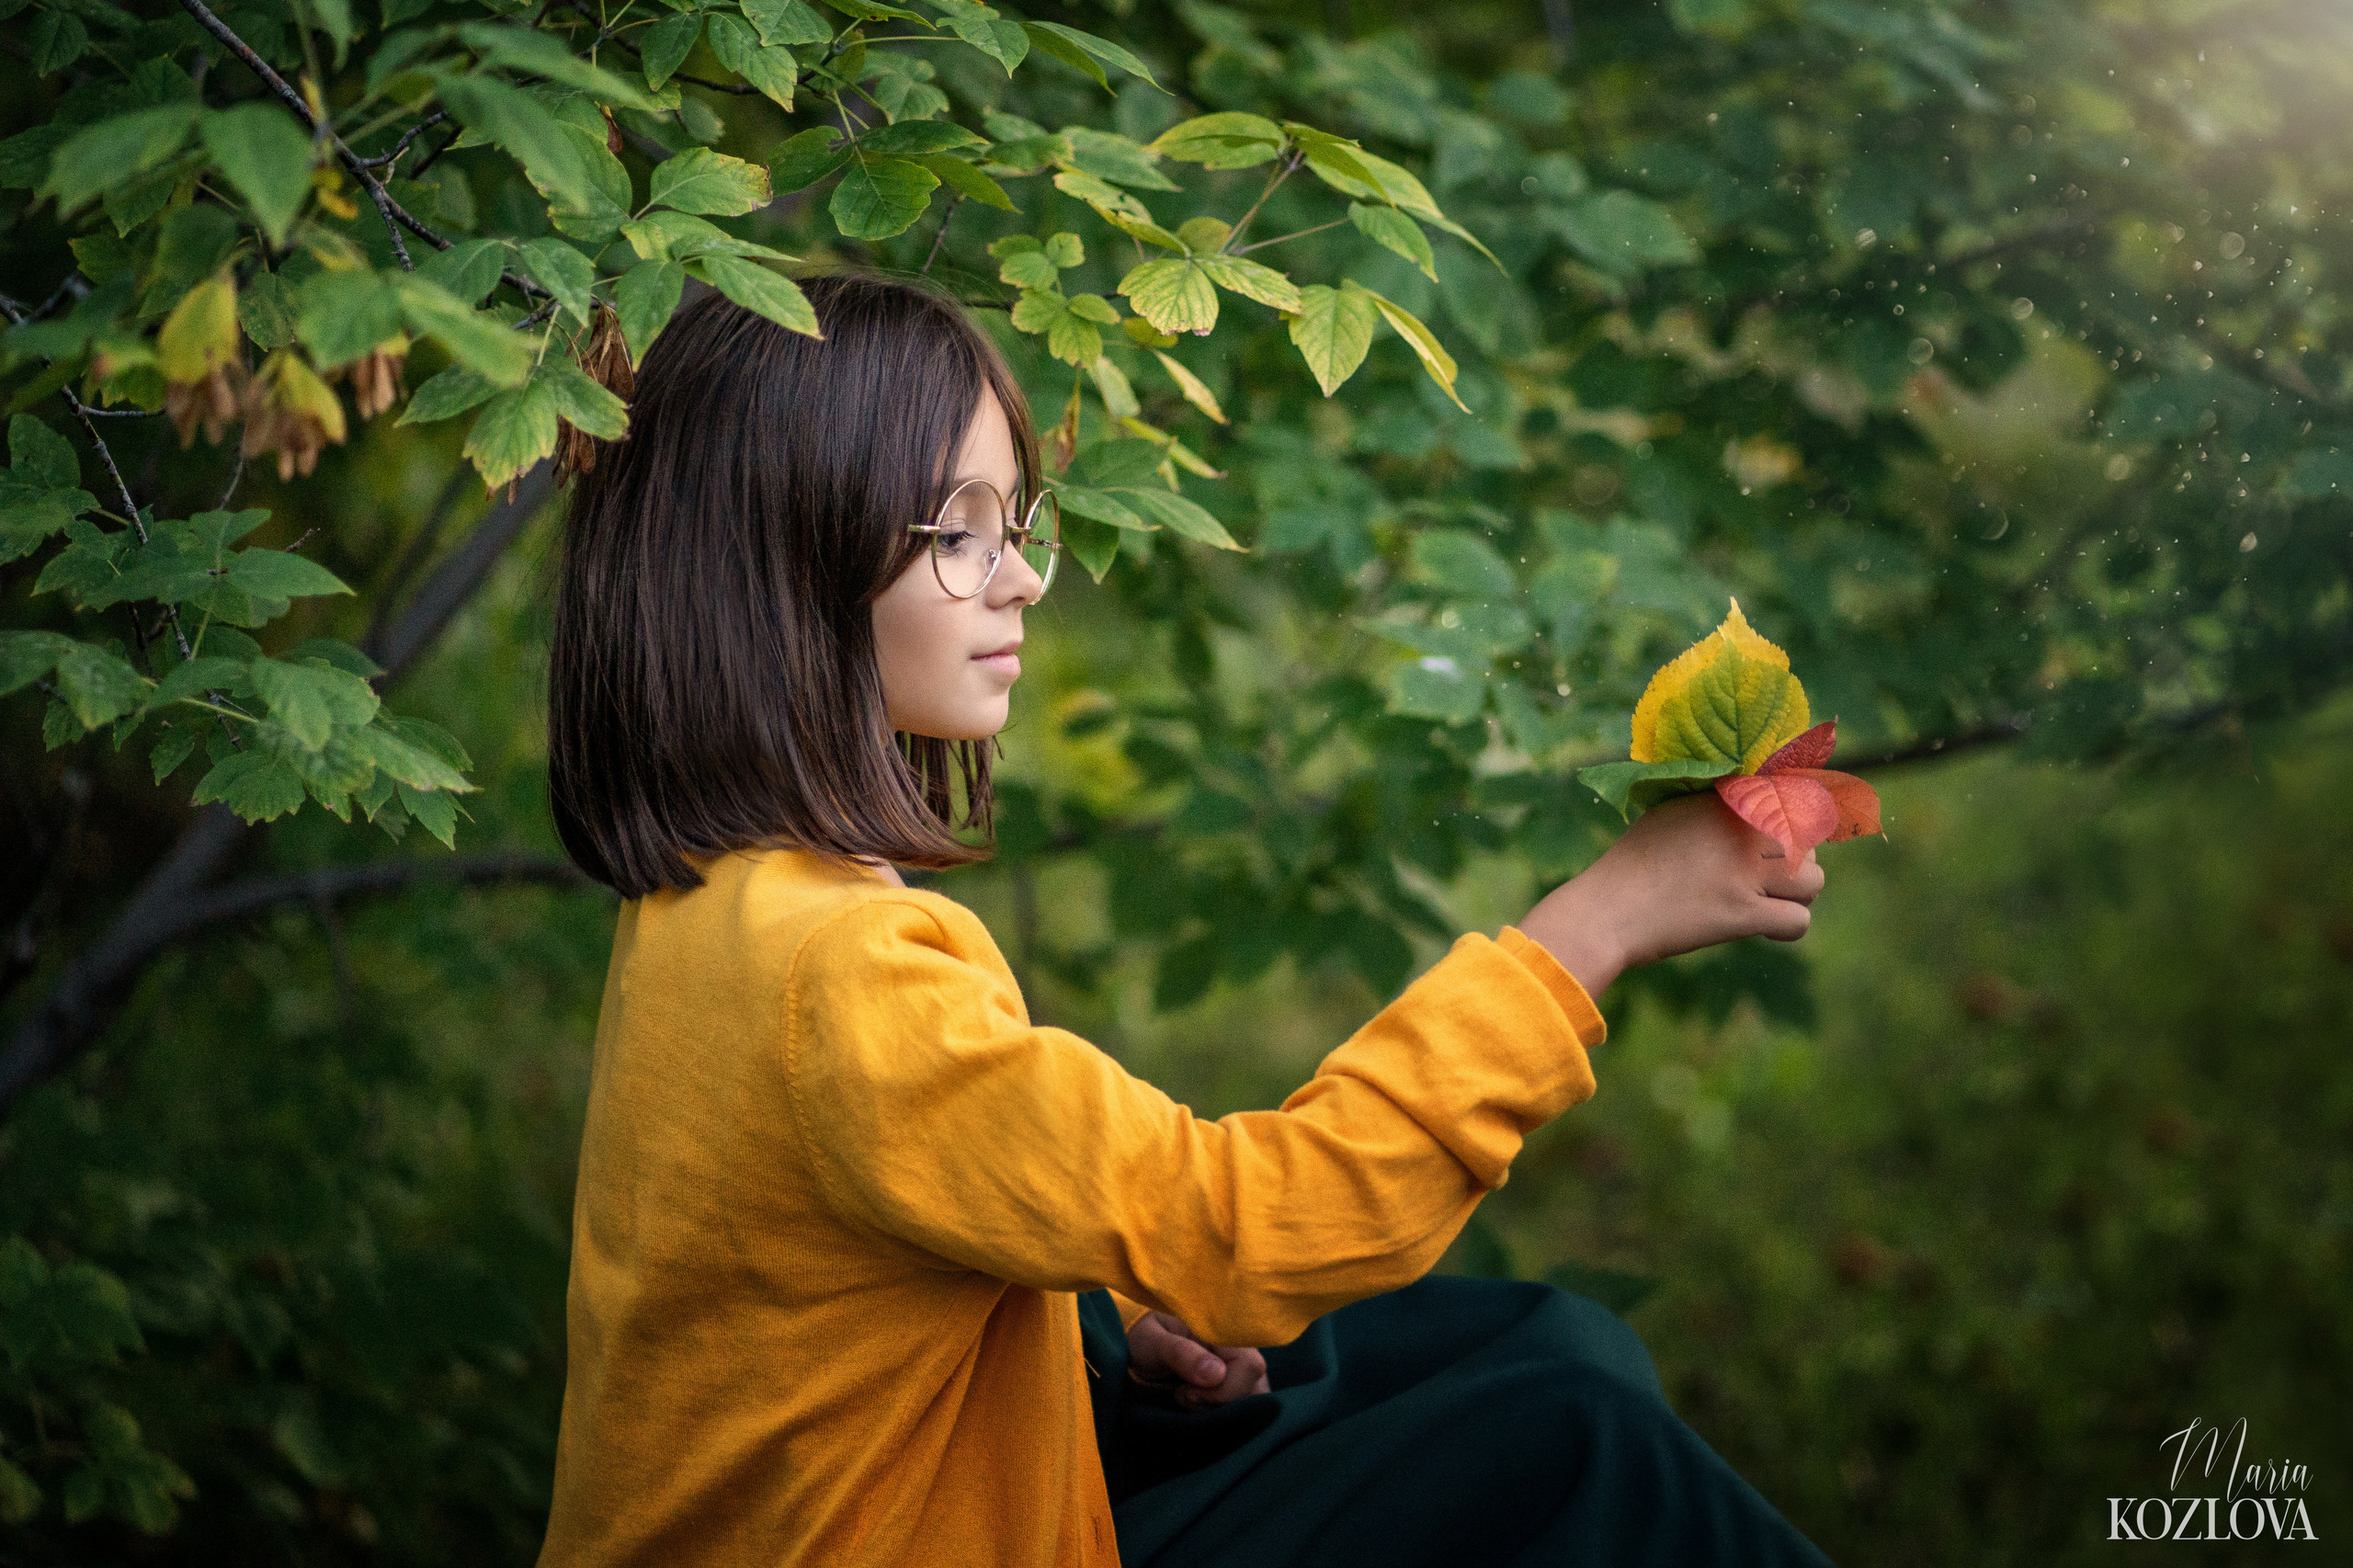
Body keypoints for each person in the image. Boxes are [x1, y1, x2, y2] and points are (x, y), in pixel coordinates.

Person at [538, 275, 1836, 1567]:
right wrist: (1591, 927)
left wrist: (1111, 1332)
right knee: (1576, 1440)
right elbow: (1243, 1234)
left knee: (1541, 1348)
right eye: (961, 535)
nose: (1026, 580)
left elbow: (848, 1271)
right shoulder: (847, 969)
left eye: (1018, 522)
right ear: (789, 566)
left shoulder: (707, 904)